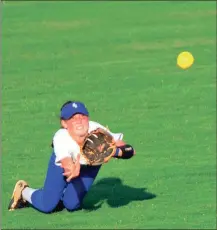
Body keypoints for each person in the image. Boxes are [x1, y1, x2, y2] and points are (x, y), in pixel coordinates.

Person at [8, 100, 136, 213]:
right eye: (73, 118)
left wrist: (115, 152)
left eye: (82, 116)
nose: (79, 120)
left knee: (71, 205)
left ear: (88, 118)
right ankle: (24, 191)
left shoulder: (97, 129)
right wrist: (72, 170)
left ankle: (58, 194)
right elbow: (66, 163)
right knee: (48, 205)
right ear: (64, 123)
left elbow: (129, 150)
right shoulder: (61, 138)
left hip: (90, 168)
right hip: (63, 168)